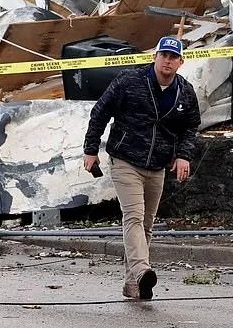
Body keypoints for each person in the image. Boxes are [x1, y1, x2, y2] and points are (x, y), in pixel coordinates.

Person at [82, 35, 201, 300]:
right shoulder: (129, 81)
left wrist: (183, 155)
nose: (167, 61)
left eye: (173, 57)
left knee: (146, 224)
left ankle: (133, 284)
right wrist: (91, 149)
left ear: (181, 62)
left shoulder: (184, 91)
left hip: (157, 165)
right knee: (133, 216)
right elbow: (100, 112)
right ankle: (141, 269)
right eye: (163, 55)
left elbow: (191, 126)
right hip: (125, 159)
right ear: (155, 57)